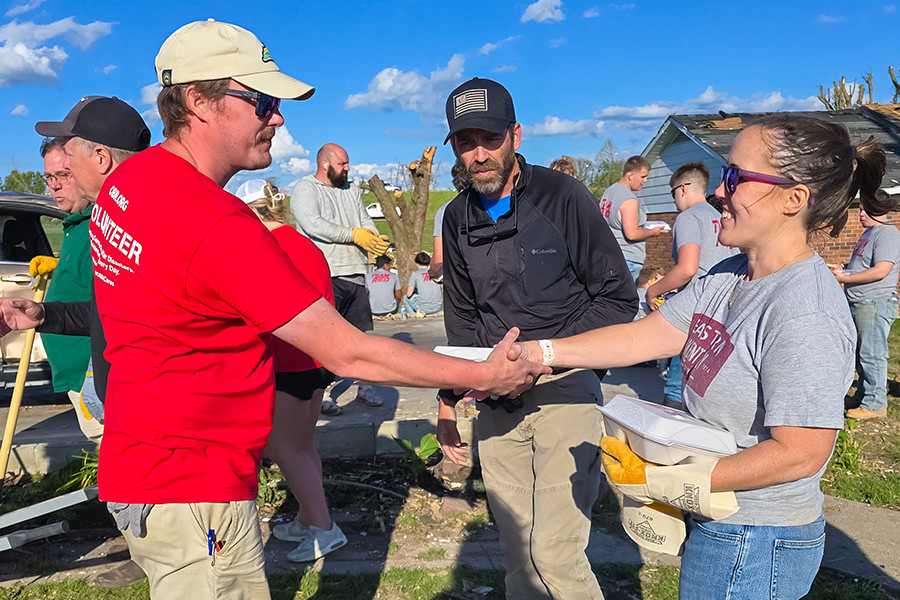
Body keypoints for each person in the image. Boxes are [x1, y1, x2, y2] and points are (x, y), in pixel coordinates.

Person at [87, 21, 546, 600]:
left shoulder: (131, 181)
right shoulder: (216, 223)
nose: (277, 117)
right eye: (262, 100)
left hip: (142, 461)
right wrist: (485, 374)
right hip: (194, 486)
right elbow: (346, 351)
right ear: (198, 101)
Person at [511, 114, 886, 599]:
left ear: (794, 199)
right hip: (722, 518)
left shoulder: (804, 309)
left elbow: (802, 453)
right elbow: (643, 338)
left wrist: (671, 482)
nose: (719, 193)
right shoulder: (729, 275)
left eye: (735, 177)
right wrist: (540, 352)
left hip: (757, 536)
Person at [437, 77, 637, 599]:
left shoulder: (564, 197)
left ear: (516, 135)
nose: (478, 154)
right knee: (517, 557)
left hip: (565, 390)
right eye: (464, 141)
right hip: (497, 401)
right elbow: (459, 316)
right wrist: (449, 399)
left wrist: (542, 358)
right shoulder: (455, 217)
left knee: (555, 555)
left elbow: (618, 300)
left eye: (490, 139)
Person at [235, 179, 345, 561]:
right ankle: (308, 517)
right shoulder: (304, 244)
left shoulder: (267, 246)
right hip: (314, 360)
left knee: (282, 446)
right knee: (300, 445)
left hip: (288, 360)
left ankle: (322, 527)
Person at [292, 143, 390, 409]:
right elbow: (313, 224)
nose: (347, 169)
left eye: (347, 164)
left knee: (363, 336)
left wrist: (372, 236)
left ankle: (365, 387)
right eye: (342, 164)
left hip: (355, 272)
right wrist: (353, 235)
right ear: (324, 164)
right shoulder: (305, 189)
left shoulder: (351, 189)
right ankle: (321, 393)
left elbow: (363, 219)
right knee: (325, 339)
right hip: (324, 274)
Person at [645, 162, 738, 407]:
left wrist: (653, 290)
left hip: (697, 309)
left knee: (677, 381)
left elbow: (687, 269)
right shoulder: (722, 217)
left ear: (684, 188)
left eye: (673, 192)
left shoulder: (688, 217)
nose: (674, 200)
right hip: (725, 308)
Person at [33, 131, 96, 438]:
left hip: (93, 374)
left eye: (63, 175)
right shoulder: (73, 226)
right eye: (48, 177)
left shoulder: (97, 227)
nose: (54, 184)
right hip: (76, 376)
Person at [832, 189, 900, 420]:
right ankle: (863, 395)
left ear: (877, 210)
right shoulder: (870, 233)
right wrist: (845, 268)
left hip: (874, 302)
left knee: (872, 353)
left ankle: (875, 403)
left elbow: (881, 271)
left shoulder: (887, 234)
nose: (859, 213)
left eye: (863, 209)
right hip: (861, 302)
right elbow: (864, 267)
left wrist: (844, 279)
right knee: (862, 354)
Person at [600, 155, 667, 281]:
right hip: (628, 259)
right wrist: (653, 232)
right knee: (625, 299)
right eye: (643, 176)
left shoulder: (608, 192)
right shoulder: (629, 200)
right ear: (630, 175)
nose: (645, 180)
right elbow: (632, 234)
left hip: (609, 256)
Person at [429, 159, 469, 280]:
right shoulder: (492, 206)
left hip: (460, 281)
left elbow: (439, 259)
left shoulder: (446, 211)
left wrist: (432, 273)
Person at [404, 251, 442, 316]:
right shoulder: (437, 272)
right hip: (437, 307)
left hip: (424, 308)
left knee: (405, 299)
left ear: (416, 263)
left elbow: (408, 294)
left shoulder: (415, 274)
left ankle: (414, 315)